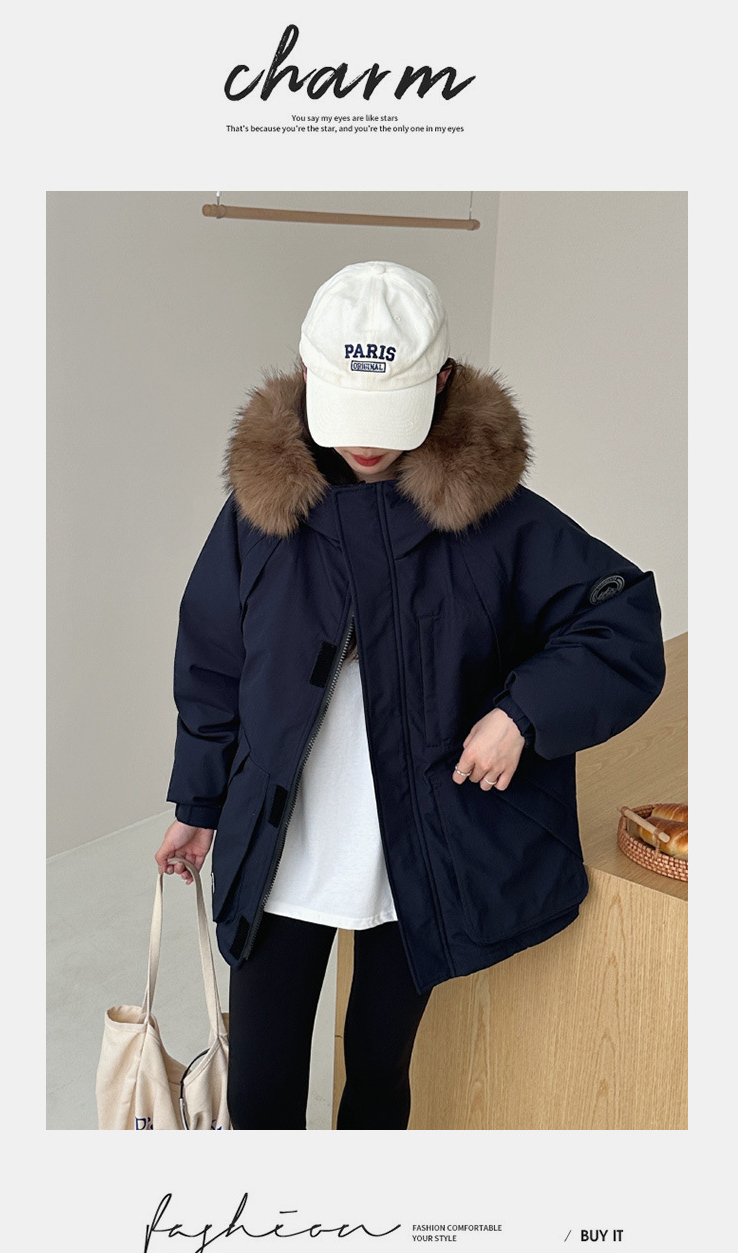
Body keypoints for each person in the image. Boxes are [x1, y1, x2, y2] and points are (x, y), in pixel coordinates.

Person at [155, 260, 666, 1131]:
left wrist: (521, 714)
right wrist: (199, 803)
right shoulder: (261, 514)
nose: (366, 445)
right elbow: (213, 660)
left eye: (387, 415)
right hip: (284, 836)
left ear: (442, 382)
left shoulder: (497, 517)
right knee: (261, 1090)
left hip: (421, 845)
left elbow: (618, 620)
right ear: (308, 379)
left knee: (379, 1071)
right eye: (348, 413)